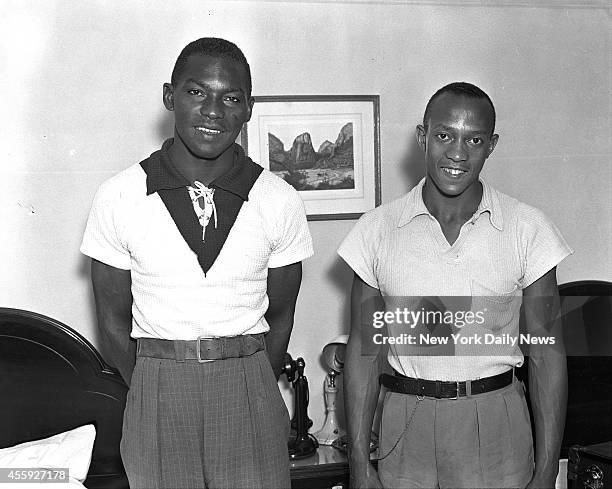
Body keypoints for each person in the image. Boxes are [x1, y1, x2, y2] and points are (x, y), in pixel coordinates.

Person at [81, 37, 313, 489]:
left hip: (248, 385)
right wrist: (155, 382)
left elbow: (282, 314)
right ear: (170, 96)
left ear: (248, 108)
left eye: (230, 98)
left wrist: (246, 381)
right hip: (159, 386)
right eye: (196, 92)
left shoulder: (278, 200)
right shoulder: (119, 195)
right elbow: (110, 322)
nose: (213, 110)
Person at [338, 82, 571, 488]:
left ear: (491, 145)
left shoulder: (527, 229)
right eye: (445, 135)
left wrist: (548, 470)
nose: (457, 153)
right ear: (422, 137)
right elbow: (362, 353)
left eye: (474, 139)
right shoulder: (376, 231)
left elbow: (546, 357)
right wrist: (359, 464)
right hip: (404, 425)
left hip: (496, 424)